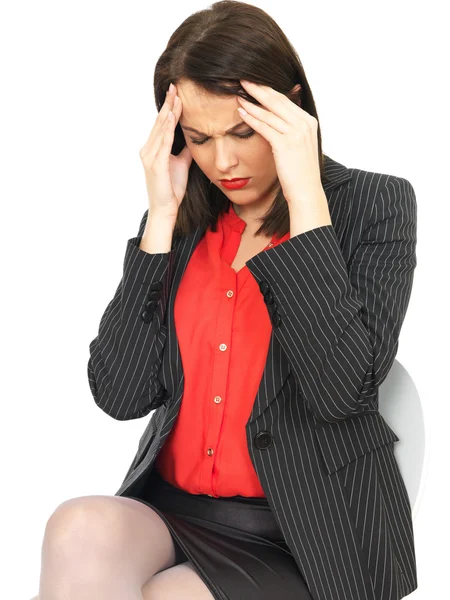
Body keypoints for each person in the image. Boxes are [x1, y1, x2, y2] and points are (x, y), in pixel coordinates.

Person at [33, 1, 419, 599]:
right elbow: (119, 394)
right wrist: (160, 218)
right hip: (171, 511)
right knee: (76, 526)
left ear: (291, 107)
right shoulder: (182, 220)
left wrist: (305, 198)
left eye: (243, 131)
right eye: (200, 138)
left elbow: (343, 391)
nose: (224, 162)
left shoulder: (374, 206)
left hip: (307, 531)